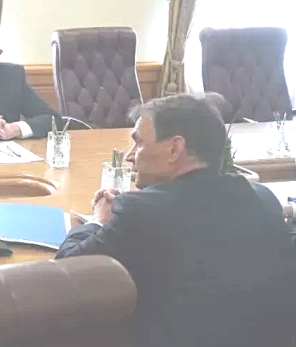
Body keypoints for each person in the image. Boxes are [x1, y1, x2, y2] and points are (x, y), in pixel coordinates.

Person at [55, 94, 296, 347]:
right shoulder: (262, 198)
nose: (130, 155)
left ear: (174, 149)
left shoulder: (140, 212)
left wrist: (98, 221)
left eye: (138, 142)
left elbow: (68, 271)